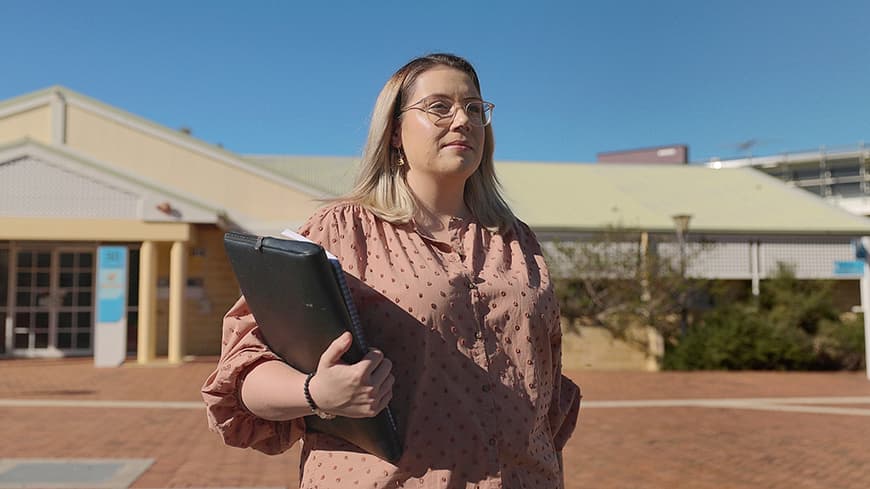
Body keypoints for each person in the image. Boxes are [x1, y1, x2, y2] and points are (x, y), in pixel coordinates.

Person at [202, 53, 581, 489]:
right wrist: (317, 393)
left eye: (475, 108)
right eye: (439, 106)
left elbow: (547, 393)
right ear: (395, 132)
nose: (463, 120)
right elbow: (244, 372)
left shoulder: (518, 241)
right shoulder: (341, 230)